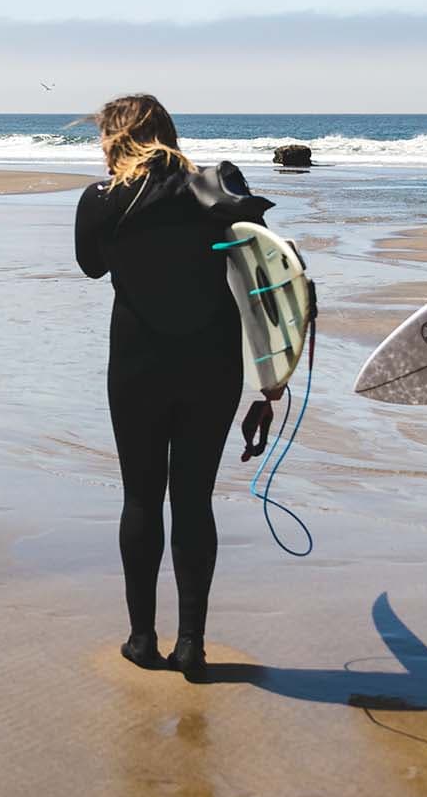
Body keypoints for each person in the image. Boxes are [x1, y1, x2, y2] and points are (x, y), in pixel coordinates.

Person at [75, 94, 281, 683]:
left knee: (141, 498)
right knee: (193, 500)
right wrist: (272, 380)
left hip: (137, 364)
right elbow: (266, 271)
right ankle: (192, 644)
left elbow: (91, 266)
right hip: (212, 364)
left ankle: (143, 639)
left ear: (115, 138)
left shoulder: (102, 200)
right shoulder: (217, 185)